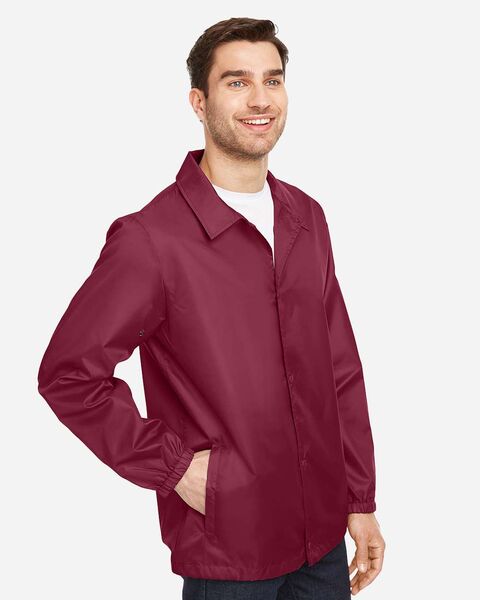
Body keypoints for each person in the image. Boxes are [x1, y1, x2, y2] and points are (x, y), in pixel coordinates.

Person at [37, 17, 386, 600]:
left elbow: (339, 368)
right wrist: (174, 467)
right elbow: (69, 376)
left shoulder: (306, 217)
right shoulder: (151, 240)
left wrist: (359, 498)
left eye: (272, 80)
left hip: (323, 541)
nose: (260, 99)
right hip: (229, 550)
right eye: (237, 82)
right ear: (198, 102)